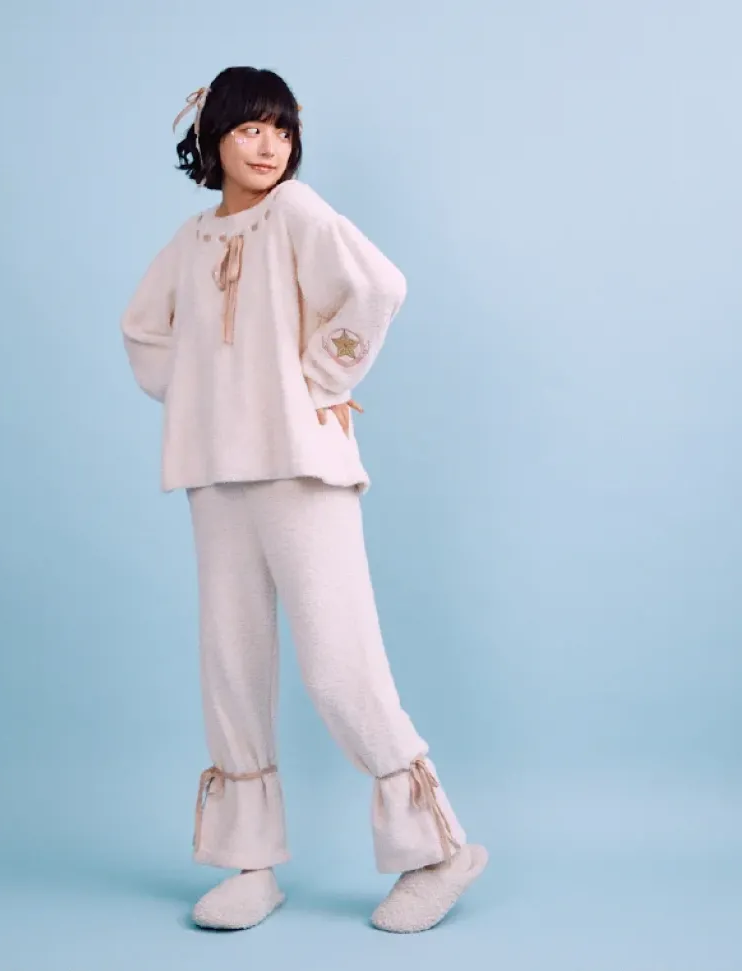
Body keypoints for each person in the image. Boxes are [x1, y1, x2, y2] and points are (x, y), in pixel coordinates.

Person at [120, 65, 488, 933]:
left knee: (337, 661)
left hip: (302, 470)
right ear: (212, 138)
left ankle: (436, 850)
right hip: (217, 475)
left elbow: (378, 286)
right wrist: (205, 396)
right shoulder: (189, 241)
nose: (270, 145)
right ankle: (251, 864)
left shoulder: (296, 211)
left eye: (282, 129)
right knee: (232, 666)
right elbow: (142, 331)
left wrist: (317, 377)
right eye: (251, 128)